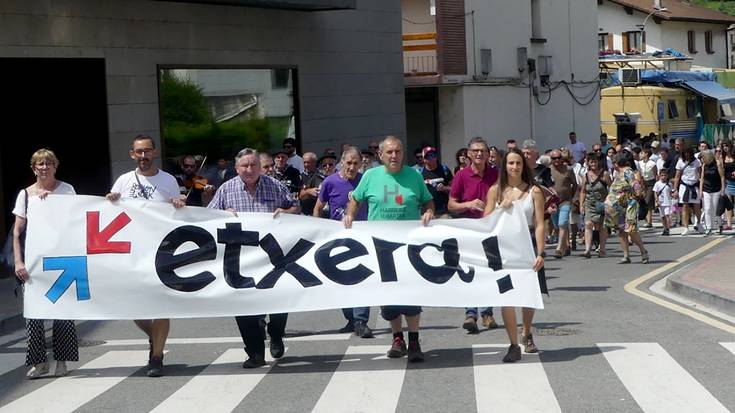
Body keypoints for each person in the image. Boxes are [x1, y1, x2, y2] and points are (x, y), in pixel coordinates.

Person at [343, 135, 434, 363]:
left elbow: (428, 201)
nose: (394, 156)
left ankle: (414, 340)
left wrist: (429, 211)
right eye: (390, 152)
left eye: (398, 151)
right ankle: (397, 339)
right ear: (381, 155)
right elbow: (355, 199)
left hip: (409, 246)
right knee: (390, 298)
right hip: (380, 247)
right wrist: (349, 215)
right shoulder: (371, 176)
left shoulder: (414, 175)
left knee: (411, 295)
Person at [207, 148, 300, 368]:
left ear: (259, 166)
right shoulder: (226, 190)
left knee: (279, 300)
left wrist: (287, 212)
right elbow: (208, 217)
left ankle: (276, 334)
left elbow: (296, 208)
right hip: (240, 259)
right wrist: (221, 215)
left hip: (271, 257)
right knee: (244, 306)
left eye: (253, 165)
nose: (249, 170)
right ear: (237, 168)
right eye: (244, 166)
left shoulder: (275, 186)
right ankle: (255, 352)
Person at [106, 135, 185, 377]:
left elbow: (178, 209)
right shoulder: (123, 180)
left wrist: (179, 202)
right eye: (139, 152)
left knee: (161, 305)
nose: (143, 156)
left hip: (161, 252)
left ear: (154, 152)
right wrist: (110, 201)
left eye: (147, 151)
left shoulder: (168, 180)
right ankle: (155, 337)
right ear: (132, 154)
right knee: (131, 307)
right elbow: (109, 214)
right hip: (131, 253)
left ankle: (156, 357)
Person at [13, 149, 78, 379]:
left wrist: (52, 205)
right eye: (39, 164)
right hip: (34, 262)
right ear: (33, 168)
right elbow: (17, 231)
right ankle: (40, 363)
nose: (44, 167)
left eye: (48, 163)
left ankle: (62, 361)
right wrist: (18, 261)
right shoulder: (26, 194)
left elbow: (76, 219)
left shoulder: (67, 190)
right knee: (34, 314)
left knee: (62, 312)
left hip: (61, 260)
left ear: (55, 166)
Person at [483, 148, 547, 362]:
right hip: (502, 250)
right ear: (505, 166)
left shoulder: (534, 191)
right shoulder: (495, 190)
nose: (515, 167)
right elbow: (486, 222)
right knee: (507, 297)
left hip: (526, 247)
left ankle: (526, 332)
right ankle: (512, 344)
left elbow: (539, 223)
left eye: (518, 163)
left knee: (528, 294)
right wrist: (501, 208)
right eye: (511, 163)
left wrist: (540, 252)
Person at [313, 146, 372, 338]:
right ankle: (351, 319)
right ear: (342, 163)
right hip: (337, 238)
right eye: (349, 163)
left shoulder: (365, 181)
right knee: (341, 281)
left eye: (356, 163)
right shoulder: (330, 182)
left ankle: (361, 321)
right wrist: (318, 230)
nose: (352, 167)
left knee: (361, 279)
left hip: (362, 237)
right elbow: (318, 208)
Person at [448, 137, 499, 332]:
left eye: (483, 151)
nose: (479, 154)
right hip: (468, 230)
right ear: (468, 154)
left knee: (489, 271)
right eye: (475, 150)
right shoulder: (461, 176)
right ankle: (471, 313)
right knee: (468, 272)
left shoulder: (496, 174)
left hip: (490, 230)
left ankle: (487, 313)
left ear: (488, 154)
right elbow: (451, 204)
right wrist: (468, 204)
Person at [604, 152, 649, 264]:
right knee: (621, 230)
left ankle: (643, 252)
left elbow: (635, 184)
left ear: (616, 163)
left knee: (631, 230)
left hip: (630, 205)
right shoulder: (617, 173)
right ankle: (626, 255)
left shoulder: (627, 171)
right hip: (618, 207)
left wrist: (637, 194)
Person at [579, 152, 611, 258]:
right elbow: (583, 191)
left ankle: (602, 249)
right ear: (588, 163)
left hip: (602, 203)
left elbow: (612, 188)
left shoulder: (604, 174)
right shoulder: (586, 176)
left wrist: (610, 201)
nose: (593, 164)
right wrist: (581, 204)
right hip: (590, 203)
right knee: (588, 224)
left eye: (595, 161)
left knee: (602, 226)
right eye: (591, 162)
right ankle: (587, 249)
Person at [549, 150, 577, 258]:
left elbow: (574, 184)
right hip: (552, 203)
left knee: (562, 222)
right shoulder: (547, 170)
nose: (557, 160)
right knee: (558, 225)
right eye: (554, 158)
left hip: (565, 201)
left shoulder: (568, 170)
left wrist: (571, 197)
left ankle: (559, 248)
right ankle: (566, 245)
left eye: (558, 157)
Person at [673, 147, 702, 236]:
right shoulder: (680, 161)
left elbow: (700, 175)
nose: (687, 155)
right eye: (685, 153)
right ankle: (686, 227)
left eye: (688, 153)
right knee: (685, 206)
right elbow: (677, 176)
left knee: (696, 205)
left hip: (694, 185)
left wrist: (701, 188)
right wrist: (675, 189)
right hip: (684, 186)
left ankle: (699, 223)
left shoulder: (696, 161)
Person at [420, 146, 453, 217]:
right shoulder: (419, 173)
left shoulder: (445, 170)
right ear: (424, 159)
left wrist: (445, 188)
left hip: (443, 212)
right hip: (426, 212)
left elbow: (454, 190)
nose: (432, 158)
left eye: (433, 155)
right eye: (428, 156)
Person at [699, 149, 725, 236]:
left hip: (716, 189)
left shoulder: (717, 164)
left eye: (703, 156)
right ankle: (708, 228)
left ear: (708, 157)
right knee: (707, 209)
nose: (702, 158)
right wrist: (700, 190)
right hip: (706, 189)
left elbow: (722, 177)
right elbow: (702, 178)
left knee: (715, 209)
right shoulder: (704, 166)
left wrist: (723, 189)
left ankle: (720, 224)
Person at [638, 148, 658, 228]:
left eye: (642, 153)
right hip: (642, 183)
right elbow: (639, 173)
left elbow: (655, 175)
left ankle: (649, 221)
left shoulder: (652, 164)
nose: (641, 155)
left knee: (648, 201)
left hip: (651, 183)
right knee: (642, 201)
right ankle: (646, 219)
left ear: (646, 154)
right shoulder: (640, 163)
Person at [653, 169, 673, 236]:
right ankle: (665, 228)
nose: (663, 177)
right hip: (661, 202)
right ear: (659, 176)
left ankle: (668, 229)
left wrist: (673, 195)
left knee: (667, 215)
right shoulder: (657, 183)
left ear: (667, 176)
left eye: (665, 175)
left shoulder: (669, 184)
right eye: (662, 175)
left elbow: (671, 192)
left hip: (667, 202)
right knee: (662, 216)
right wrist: (657, 200)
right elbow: (655, 192)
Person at [724, 144, 735, 231]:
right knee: (729, 203)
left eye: (726, 145)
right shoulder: (722, 157)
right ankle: (729, 224)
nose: (725, 147)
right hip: (728, 182)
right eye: (723, 146)